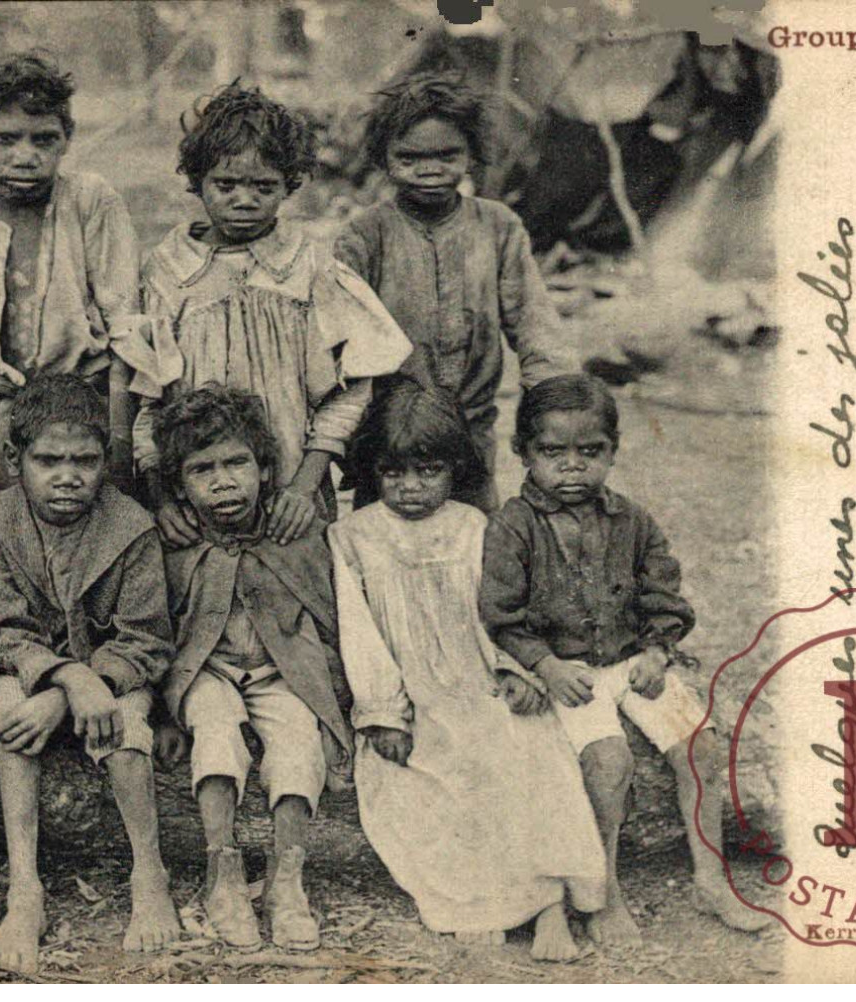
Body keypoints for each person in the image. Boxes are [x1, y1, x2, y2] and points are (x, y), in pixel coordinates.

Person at [478, 374, 768, 942]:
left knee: (701, 749)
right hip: (571, 673)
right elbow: (500, 613)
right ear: (522, 453)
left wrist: (659, 650)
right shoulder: (512, 527)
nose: (572, 467)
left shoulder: (631, 520)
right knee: (610, 762)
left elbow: (663, 592)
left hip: (633, 661)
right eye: (552, 452)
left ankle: (711, 879)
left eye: (591, 452)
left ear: (613, 450)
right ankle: (603, 890)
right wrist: (545, 665)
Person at [329, 385, 607, 959]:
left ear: (455, 467)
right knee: (428, 784)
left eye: (428, 471)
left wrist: (516, 671)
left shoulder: (475, 527)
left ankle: (552, 906)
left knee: (530, 756)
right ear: (372, 471)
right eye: (394, 472)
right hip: (414, 697)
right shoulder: (353, 537)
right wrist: (383, 711)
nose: (411, 488)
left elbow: (505, 610)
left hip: (482, 680)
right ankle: (487, 902)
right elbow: (360, 634)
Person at [136, 81, 411, 547]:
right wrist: (164, 498)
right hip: (198, 500)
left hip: (291, 496)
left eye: (263, 186)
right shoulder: (166, 272)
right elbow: (148, 402)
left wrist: (304, 486)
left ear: (289, 185)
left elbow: (352, 389)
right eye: (226, 185)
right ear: (197, 180)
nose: (244, 200)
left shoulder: (311, 267)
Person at [0, 370, 181, 971]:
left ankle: (149, 872)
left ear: (105, 461)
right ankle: (24, 887)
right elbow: (5, 631)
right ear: (16, 459)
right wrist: (64, 678)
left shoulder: (130, 525)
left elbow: (145, 639)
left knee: (125, 730)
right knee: (10, 716)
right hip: (40, 673)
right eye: (49, 460)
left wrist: (85, 687)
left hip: (112, 676)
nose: (68, 476)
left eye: (85, 461)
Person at [153, 386, 351, 952]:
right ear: (180, 487)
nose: (222, 481)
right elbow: (157, 637)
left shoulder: (294, 531)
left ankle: (288, 882)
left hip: (276, 670)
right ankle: (224, 874)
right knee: (215, 733)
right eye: (202, 470)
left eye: (237, 463)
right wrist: (166, 718)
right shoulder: (174, 545)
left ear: (266, 470)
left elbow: (328, 624)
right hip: (206, 673)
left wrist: (333, 708)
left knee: (297, 743)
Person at [0, 51, 164, 498]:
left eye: (43, 140)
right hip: (2, 432)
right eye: (6, 139)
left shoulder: (90, 203)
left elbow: (125, 330)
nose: (25, 156)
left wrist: (119, 449)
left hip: (87, 422)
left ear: (67, 137)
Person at [335, 75, 567, 512]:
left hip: (472, 429)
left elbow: (534, 324)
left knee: (475, 542)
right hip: (390, 437)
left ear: (472, 155)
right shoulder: (365, 235)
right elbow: (340, 340)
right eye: (409, 157)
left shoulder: (497, 227)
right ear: (384, 158)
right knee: (382, 544)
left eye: (447, 155)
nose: (429, 169)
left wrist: (552, 402)